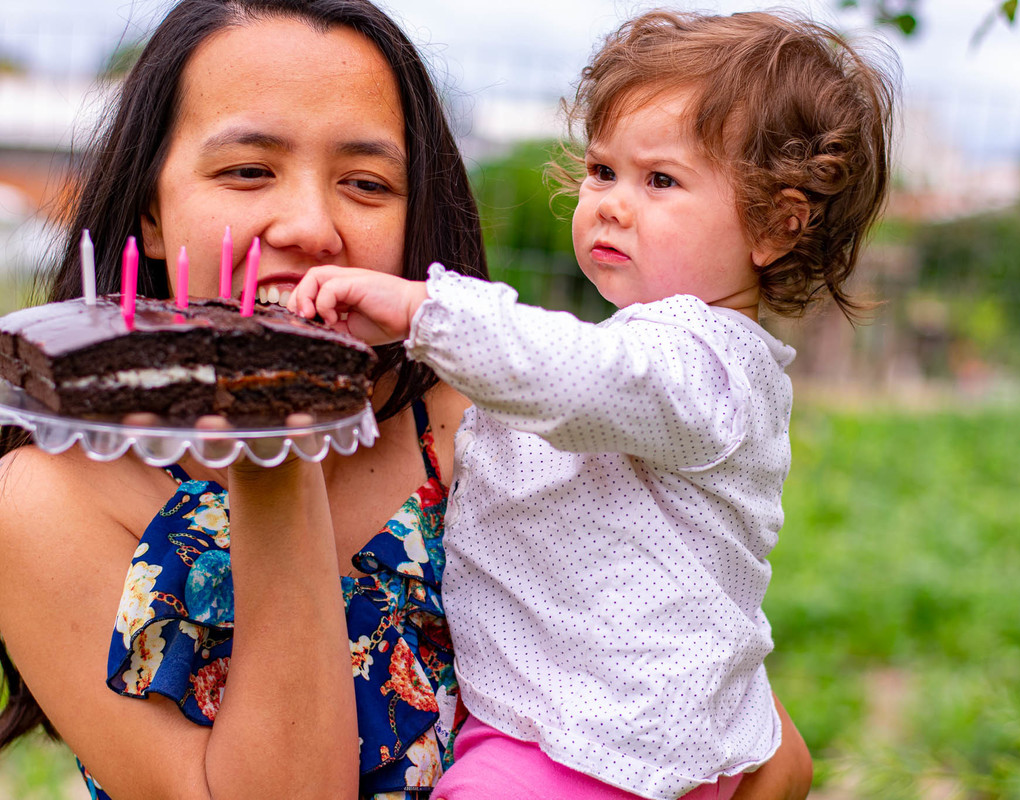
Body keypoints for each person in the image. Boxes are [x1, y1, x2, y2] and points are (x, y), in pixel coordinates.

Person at [0, 1, 812, 798]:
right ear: (151, 208)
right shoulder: (47, 504)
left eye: (366, 182)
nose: (310, 227)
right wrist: (275, 456)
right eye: (248, 171)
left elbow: (760, 753)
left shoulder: (492, 435)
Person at [288, 9, 893, 800]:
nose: (611, 202)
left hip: (589, 750)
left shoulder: (702, 362)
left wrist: (422, 311)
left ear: (777, 226)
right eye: (603, 170)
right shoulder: (666, 353)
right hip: (597, 732)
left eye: (661, 180)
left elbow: (581, 378)